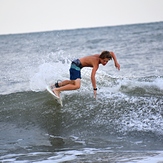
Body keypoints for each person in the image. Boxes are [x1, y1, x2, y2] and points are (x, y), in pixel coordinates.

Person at [52, 51, 120, 99]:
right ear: (100, 58)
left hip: (76, 64)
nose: (105, 63)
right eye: (104, 61)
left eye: (107, 61)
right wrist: (95, 89)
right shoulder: (96, 63)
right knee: (77, 86)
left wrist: (116, 62)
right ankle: (57, 90)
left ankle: (56, 85)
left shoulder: (103, 54)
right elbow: (92, 76)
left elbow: (112, 53)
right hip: (76, 66)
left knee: (73, 82)